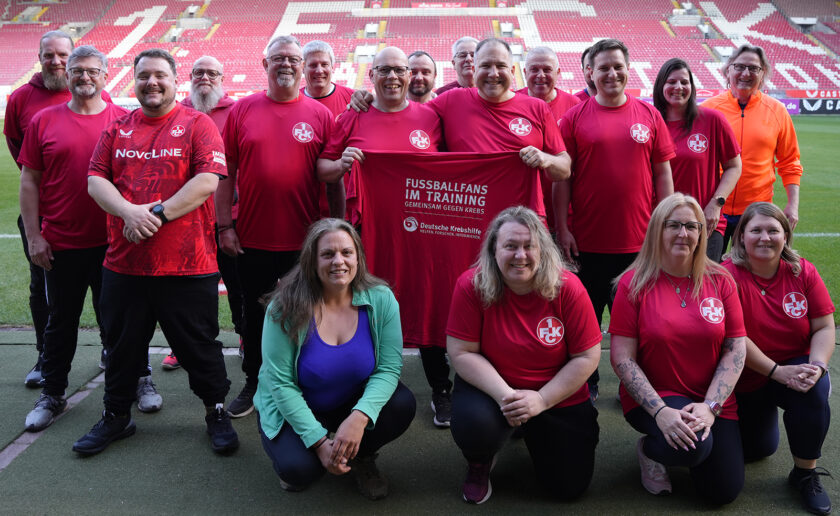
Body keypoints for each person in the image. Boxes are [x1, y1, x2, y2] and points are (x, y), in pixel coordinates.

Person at [74, 48, 238, 456]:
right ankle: (116, 415)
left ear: (174, 79)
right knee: (122, 344)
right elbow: (96, 181)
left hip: (188, 264)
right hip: (125, 265)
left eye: (160, 75)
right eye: (144, 75)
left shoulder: (198, 124)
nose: (152, 82)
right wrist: (129, 212)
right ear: (134, 79)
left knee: (199, 345)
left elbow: (207, 181)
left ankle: (214, 410)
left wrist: (157, 215)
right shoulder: (118, 129)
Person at [319, 46, 445, 425]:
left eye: (399, 70)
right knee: (367, 305)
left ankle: (442, 389)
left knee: (427, 301)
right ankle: (364, 388)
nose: (393, 77)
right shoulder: (353, 115)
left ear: (411, 76)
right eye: (384, 70)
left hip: (424, 233)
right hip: (368, 233)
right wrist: (341, 165)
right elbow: (323, 167)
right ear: (370, 75)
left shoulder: (432, 116)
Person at [446, 206, 601, 504]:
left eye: (529, 246)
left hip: (555, 393)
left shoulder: (568, 288)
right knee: (475, 425)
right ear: (494, 249)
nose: (521, 255)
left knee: (569, 488)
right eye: (510, 246)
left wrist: (541, 400)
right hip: (495, 391)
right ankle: (480, 461)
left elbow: (586, 356)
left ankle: (533, 430)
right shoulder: (471, 285)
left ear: (542, 250)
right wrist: (506, 396)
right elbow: (461, 352)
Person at [255, 218, 416, 500]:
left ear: (358, 257)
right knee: (299, 470)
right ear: (312, 261)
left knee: (402, 404)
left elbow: (389, 369)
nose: (338, 261)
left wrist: (360, 416)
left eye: (346, 252)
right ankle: (320, 451)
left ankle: (360, 455)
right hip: (294, 406)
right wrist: (319, 443)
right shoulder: (283, 307)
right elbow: (280, 384)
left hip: (349, 401)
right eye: (328, 254)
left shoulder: (381, 299)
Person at [218, 35, 335, 419]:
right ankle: (254, 381)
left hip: (304, 242)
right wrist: (225, 226)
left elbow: (333, 179)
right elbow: (225, 174)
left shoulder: (320, 115)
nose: (286, 64)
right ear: (265, 64)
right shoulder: (242, 110)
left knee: (307, 314)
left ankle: (304, 381)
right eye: (278, 59)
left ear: (302, 66)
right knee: (254, 316)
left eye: (293, 59)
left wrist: (337, 228)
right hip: (251, 237)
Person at [19, 46, 130, 432]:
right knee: (59, 322)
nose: (85, 77)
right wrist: (34, 236)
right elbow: (30, 180)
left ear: (105, 74)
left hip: (113, 244)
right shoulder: (43, 121)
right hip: (62, 243)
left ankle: (133, 382)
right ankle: (52, 393)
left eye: (92, 71)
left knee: (117, 320)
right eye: (77, 71)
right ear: (67, 75)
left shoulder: (122, 120)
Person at [609, 193, 746, 504]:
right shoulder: (634, 283)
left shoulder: (721, 280)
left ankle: (692, 449)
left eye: (691, 226)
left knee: (722, 492)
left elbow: (735, 348)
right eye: (673, 225)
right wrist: (660, 412)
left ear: (702, 233)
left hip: (711, 398)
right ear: (658, 229)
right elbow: (622, 358)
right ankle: (651, 450)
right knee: (694, 446)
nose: (683, 234)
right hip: (658, 395)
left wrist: (711, 407)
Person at [556, 39, 674, 401]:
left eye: (617, 66)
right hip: (587, 244)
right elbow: (563, 179)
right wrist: (562, 227)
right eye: (603, 67)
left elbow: (663, 174)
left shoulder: (649, 115)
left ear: (627, 68)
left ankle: (636, 389)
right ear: (589, 72)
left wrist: (667, 224)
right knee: (586, 323)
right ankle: (586, 385)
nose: (611, 73)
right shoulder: (574, 118)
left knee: (639, 324)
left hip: (639, 246)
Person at [723, 202, 835, 516]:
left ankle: (805, 473)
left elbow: (824, 326)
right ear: (741, 235)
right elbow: (734, 338)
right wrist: (777, 372)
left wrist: (817, 366)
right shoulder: (726, 275)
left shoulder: (802, 271)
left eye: (773, 230)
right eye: (756, 230)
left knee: (815, 387)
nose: (765, 237)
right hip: (745, 378)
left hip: (792, 369)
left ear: (785, 235)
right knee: (757, 450)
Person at [163, 55, 243, 371]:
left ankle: (244, 336)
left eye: (212, 72)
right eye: (199, 73)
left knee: (238, 286)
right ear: (190, 77)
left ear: (222, 77)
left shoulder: (238, 110)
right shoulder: (176, 111)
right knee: (189, 289)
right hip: (187, 217)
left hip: (228, 216)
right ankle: (184, 345)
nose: (205, 78)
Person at [5, 30, 75, 387]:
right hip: (43, 212)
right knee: (41, 284)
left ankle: (113, 351)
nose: (56, 61)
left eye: (62, 54)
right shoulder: (20, 98)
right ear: (40, 56)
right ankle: (44, 354)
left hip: (89, 213)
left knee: (106, 284)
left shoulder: (91, 90)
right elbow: (20, 152)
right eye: (49, 55)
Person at [703, 44, 803, 249]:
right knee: (710, 274)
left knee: (751, 275)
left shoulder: (777, 111)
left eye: (753, 68)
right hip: (713, 208)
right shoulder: (707, 109)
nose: (745, 73)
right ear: (728, 69)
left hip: (756, 211)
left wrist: (793, 206)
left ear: (763, 73)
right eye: (739, 66)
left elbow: (790, 161)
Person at [652, 58, 742, 262]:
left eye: (684, 82)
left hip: (705, 222)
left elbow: (734, 166)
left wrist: (716, 204)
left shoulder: (712, 120)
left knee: (705, 288)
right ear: (660, 86)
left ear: (692, 87)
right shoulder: (651, 122)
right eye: (671, 82)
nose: (678, 87)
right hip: (661, 224)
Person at [517, 46, 580, 237]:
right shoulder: (512, 101)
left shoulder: (574, 106)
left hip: (565, 215)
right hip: (521, 213)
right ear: (524, 72)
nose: (540, 75)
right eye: (534, 69)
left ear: (558, 72)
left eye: (547, 69)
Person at [301, 39, 352, 219]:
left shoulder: (353, 99)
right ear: (302, 68)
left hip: (345, 206)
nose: (319, 70)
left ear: (333, 67)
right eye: (312, 65)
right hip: (304, 206)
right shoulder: (292, 102)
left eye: (324, 64)